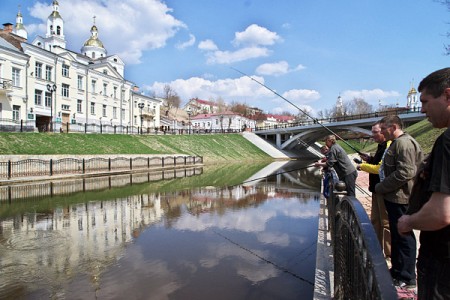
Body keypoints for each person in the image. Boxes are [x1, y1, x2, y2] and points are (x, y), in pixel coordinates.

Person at [397, 67, 450, 299]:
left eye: (426, 101)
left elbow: (441, 214)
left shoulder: (447, 141)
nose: (423, 109)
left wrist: (408, 221)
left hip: (443, 263)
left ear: (448, 95)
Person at [374, 115, 423, 292]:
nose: (382, 132)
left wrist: (382, 186)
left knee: (404, 237)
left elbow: (405, 172)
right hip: (394, 198)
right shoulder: (397, 143)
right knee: (396, 235)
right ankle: (397, 271)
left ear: (393, 127)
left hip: (402, 199)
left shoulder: (404, 143)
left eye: (384, 129)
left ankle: (407, 277)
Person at [356, 122, 391, 260]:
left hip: (383, 188)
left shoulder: (388, 146)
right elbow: (376, 163)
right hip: (376, 188)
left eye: (375, 132)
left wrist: (362, 166)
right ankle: (375, 250)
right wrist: (369, 159)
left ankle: (389, 255)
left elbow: (380, 168)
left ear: (383, 131)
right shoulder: (381, 146)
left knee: (386, 222)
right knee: (376, 220)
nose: (373, 135)